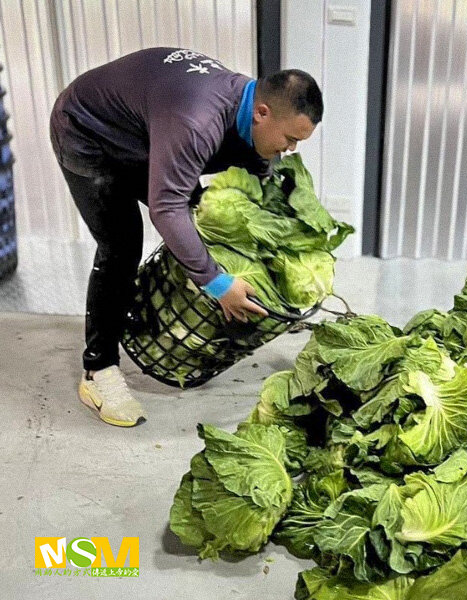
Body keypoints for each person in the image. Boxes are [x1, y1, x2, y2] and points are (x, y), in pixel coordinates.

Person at [49, 47, 322, 427]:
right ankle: (99, 370)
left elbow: (256, 180)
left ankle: (145, 310)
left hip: (145, 132)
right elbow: (165, 208)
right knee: (122, 243)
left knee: (201, 216)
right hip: (88, 130)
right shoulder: (198, 121)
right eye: (290, 138)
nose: (291, 150)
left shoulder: (248, 113)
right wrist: (217, 283)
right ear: (262, 113)